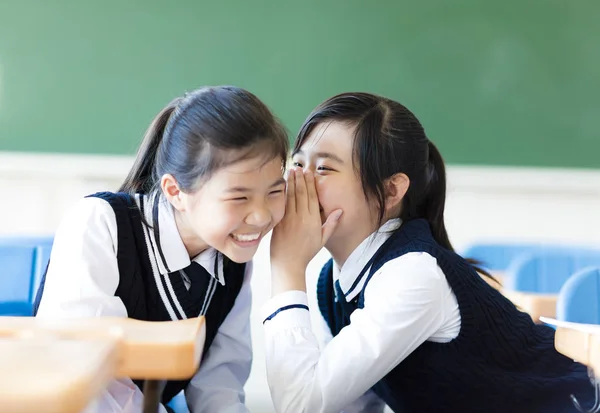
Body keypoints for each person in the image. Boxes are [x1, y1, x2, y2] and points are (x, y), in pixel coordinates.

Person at [263, 92, 594, 413]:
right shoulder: (331, 283)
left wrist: (286, 269)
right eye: (298, 162)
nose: (299, 182)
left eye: (323, 169)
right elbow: (337, 400)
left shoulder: (412, 274)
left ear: (391, 190)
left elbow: (301, 404)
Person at [35, 86, 288, 413]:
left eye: (275, 191)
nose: (262, 215)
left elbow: (219, 384)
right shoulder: (100, 223)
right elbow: (81, 366)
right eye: (239, 197)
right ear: (175, 191)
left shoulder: (233, 262)